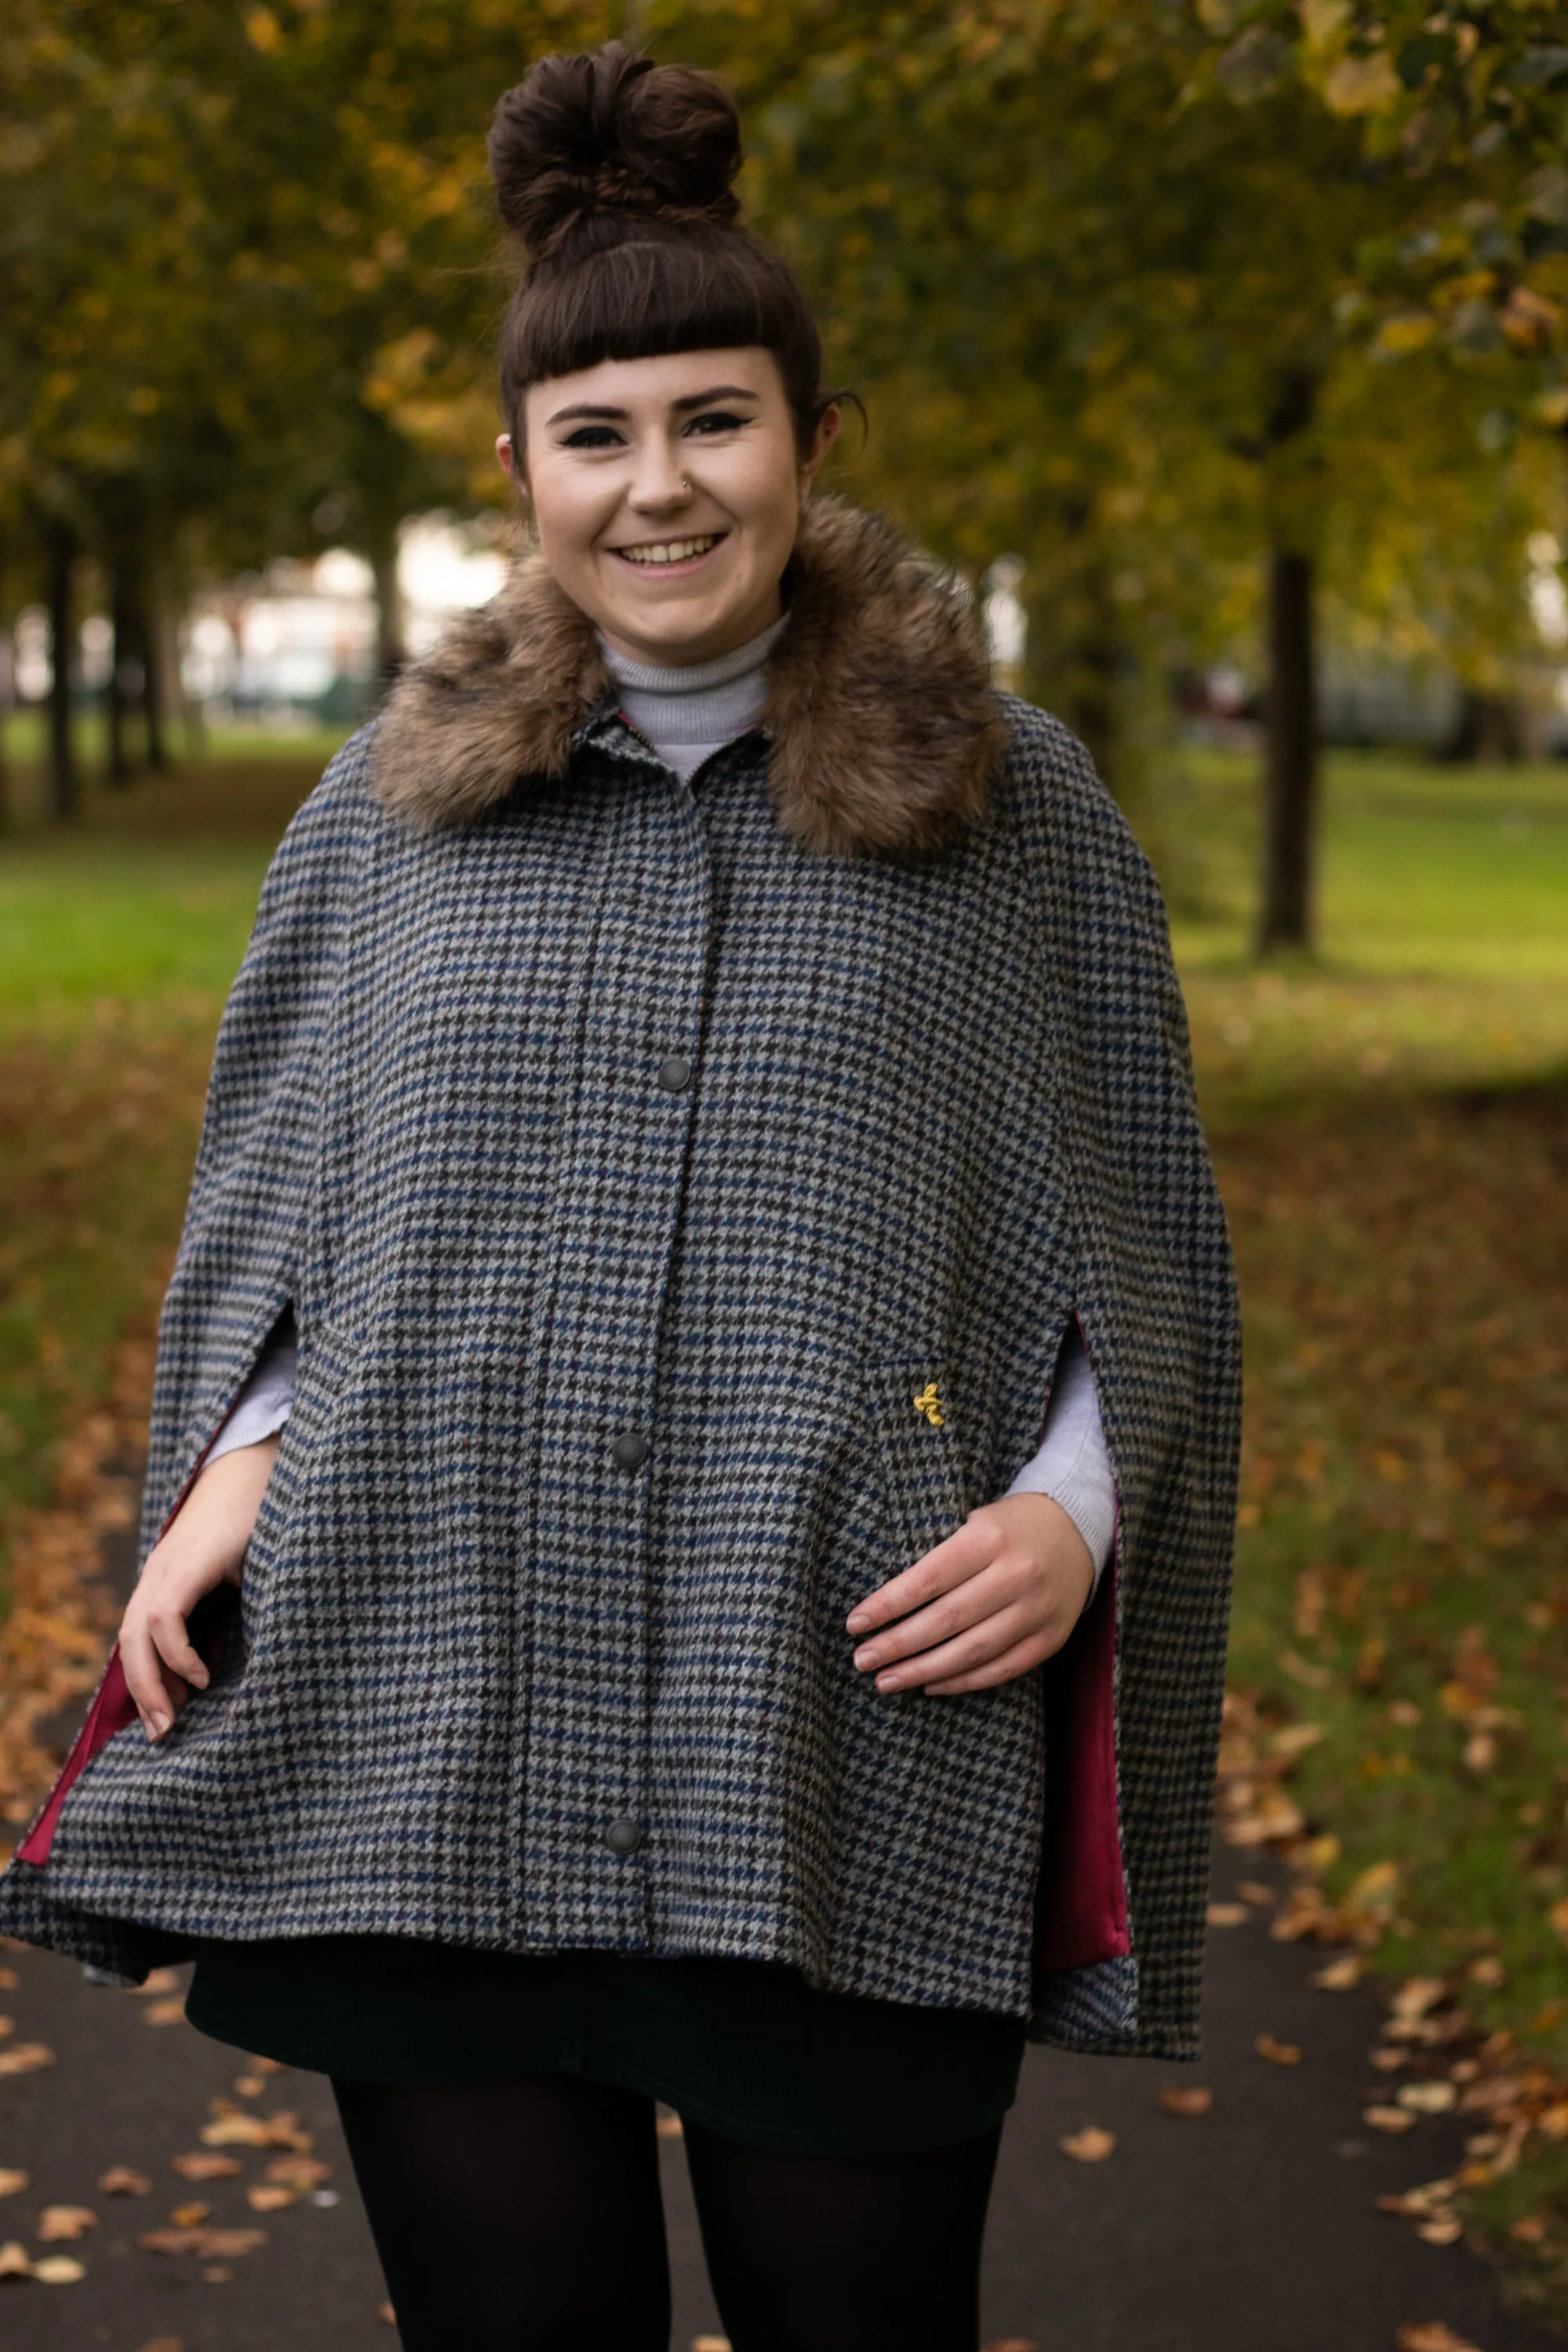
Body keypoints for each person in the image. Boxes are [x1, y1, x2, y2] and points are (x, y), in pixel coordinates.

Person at [0, 43, 1240, 2352]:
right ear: (521, 473)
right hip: (424, 1692)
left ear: (811, 438)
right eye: (597, 434)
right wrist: (232, 1464)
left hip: (837, 1716)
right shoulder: (386, 816)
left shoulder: (1017, 806)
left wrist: (1074, 1510)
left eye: (714, 419)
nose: (657, 488)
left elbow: (1138, 1235)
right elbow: (291, 1195)